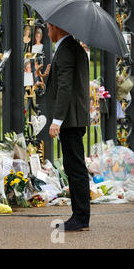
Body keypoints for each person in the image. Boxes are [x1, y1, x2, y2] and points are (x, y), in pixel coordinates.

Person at [45, 23, 90, 232]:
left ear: (56, 28)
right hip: (76, 117)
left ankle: (80, 218)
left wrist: (57, 120)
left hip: (70, 120)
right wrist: (50, 74)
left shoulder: (65, 50)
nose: (47, 32)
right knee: (75, 167)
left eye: (48, 28)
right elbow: (67, 81)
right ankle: (80, 216)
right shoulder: (75, 47)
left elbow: (66, 87)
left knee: (75, 168)